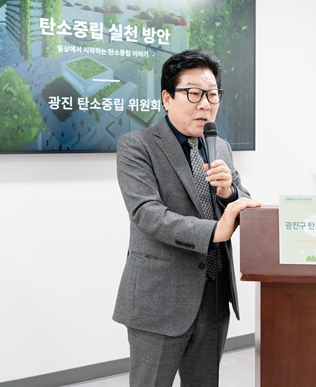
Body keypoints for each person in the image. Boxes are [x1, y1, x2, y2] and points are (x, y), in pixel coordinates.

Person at [113, 49, 261, 386]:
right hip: (160, 299)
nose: (205, 104)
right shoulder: (137, 146)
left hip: (214, 295)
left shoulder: (220, 146)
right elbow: (147, 214)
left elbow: (242, 200)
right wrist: (215, 231)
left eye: (212, 94)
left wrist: (229, 193)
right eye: (194, 93)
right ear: (167, 98)